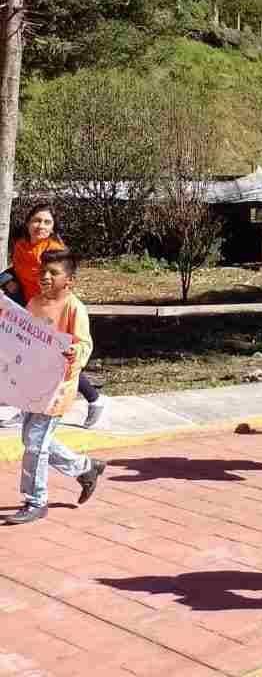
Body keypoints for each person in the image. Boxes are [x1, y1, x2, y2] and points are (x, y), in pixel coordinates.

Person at [6, 250, 106, 525]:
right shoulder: (34, 302)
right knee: (33, 441)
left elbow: (84, 344)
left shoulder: (75, 308)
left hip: (58, 388)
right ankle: (85, 468)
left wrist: (76, 352)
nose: (46, 277)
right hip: (32, 384)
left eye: (54, 273)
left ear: (69, 281)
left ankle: (35, 500)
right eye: (43, 272)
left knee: (36, 443)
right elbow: (23, 337)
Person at [2, 205, 107, 430]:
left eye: (47, 222)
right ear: (28, 223)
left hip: (54, 309)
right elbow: (19, 270)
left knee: (57, 362)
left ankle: (95, 399)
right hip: (30, 307)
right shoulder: (21, 246)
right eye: (36, 220)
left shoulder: (55, 250)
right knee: (33, 362)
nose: (41, 226)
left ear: (53, 227)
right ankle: (27, 407)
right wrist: (7, 278)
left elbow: (61, 276)